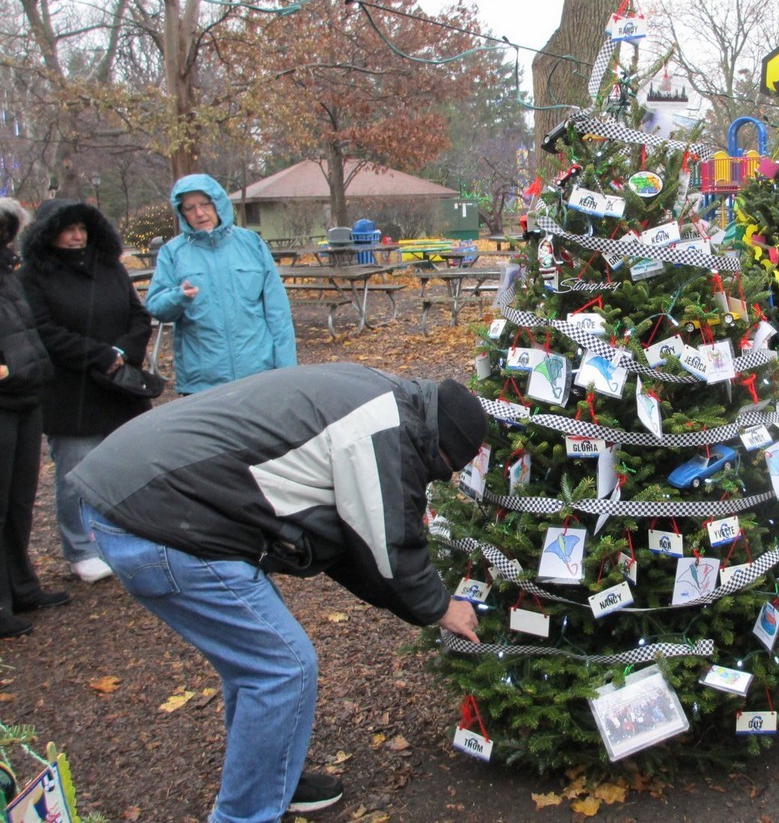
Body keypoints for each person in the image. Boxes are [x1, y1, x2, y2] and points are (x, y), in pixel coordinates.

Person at [68, 364, 487, 820]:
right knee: (282, 668)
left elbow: (349, 544)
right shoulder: (383, 427)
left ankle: (269, 778)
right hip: (157, 516)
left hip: (141, 489)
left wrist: (414, 601)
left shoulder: (384, 394)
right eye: (441, 470)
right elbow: (387, 546)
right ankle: (246, 813)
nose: (435, 479)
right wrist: (441, 607)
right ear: (439, 446)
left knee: (257, 659)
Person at [19, 200, 153, 583]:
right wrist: (100, 355)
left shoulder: (109, 267)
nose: (77, 236)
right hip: (71, 390)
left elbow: (138, 315)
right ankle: (82, 547)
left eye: (82, 228)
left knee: (127, 465)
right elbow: (44, 330)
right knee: (76, 471)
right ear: (48, 233)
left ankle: (130, 533)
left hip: (120, 385)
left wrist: (124, 352)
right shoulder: (33, 277)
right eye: (68, 229)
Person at [146, 174, 295, 395]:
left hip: (258, 376)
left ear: (218, 203)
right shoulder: (173, 252)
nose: (199, 213)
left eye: (205, 204)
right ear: (181, 212)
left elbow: (278, 314)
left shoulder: (251, 244)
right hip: (202, 384)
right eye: (190, 208)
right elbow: (156, 306)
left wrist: (287, 373)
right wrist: (178, 297)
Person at [0, 198, 70, 639]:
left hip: (26, 395)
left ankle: (21, 586)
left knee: (19, 501)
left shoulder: (10, 274)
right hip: (5, 396)